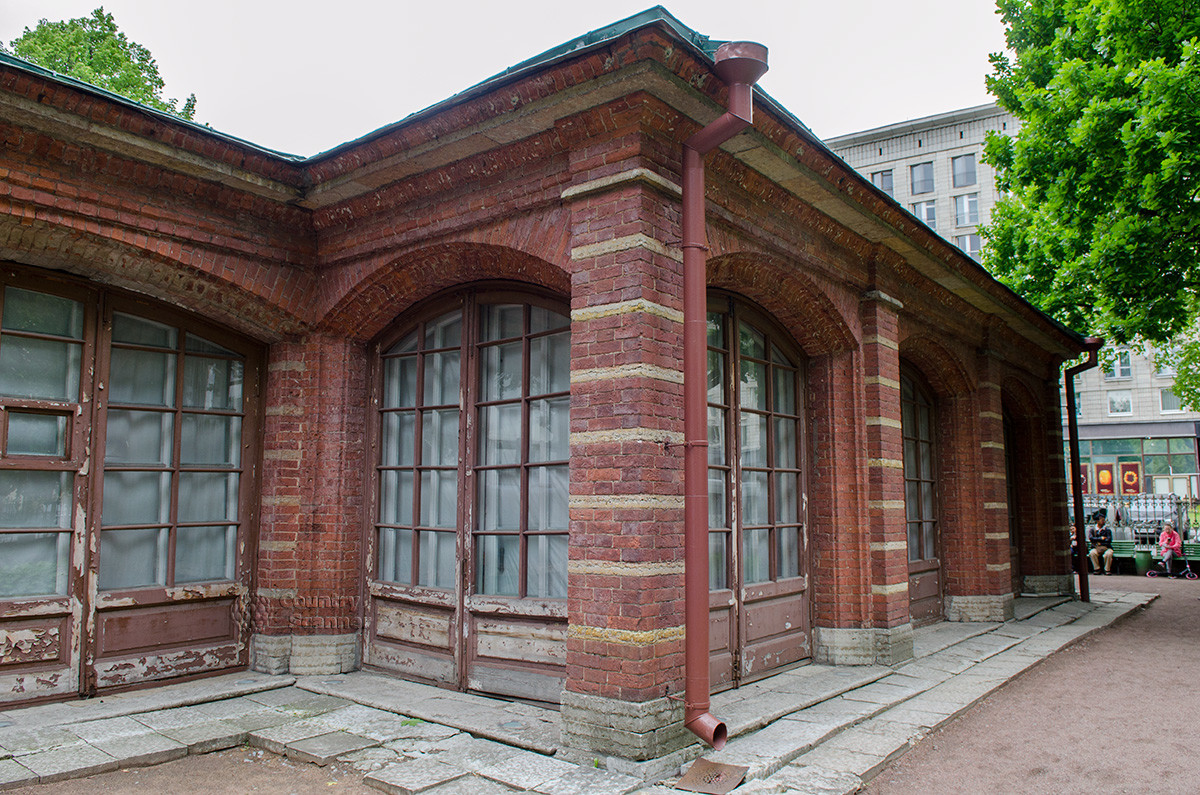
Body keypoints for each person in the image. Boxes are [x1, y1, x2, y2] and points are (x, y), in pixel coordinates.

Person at [1088, 510, 1114, 575]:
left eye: (1104, 520)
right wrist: (1101, 538)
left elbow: (1109, 540)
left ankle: (1107, 569)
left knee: (1108, 554)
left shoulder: (1107, 530)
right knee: (1092, 553)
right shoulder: (1093, 530)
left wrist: (1100, 542)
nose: (1103, 521)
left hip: (1106, 547)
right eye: (1102, 520)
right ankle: (1097, 569)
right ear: (1097, 521)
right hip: (1096, 547)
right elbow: (1091, 538)